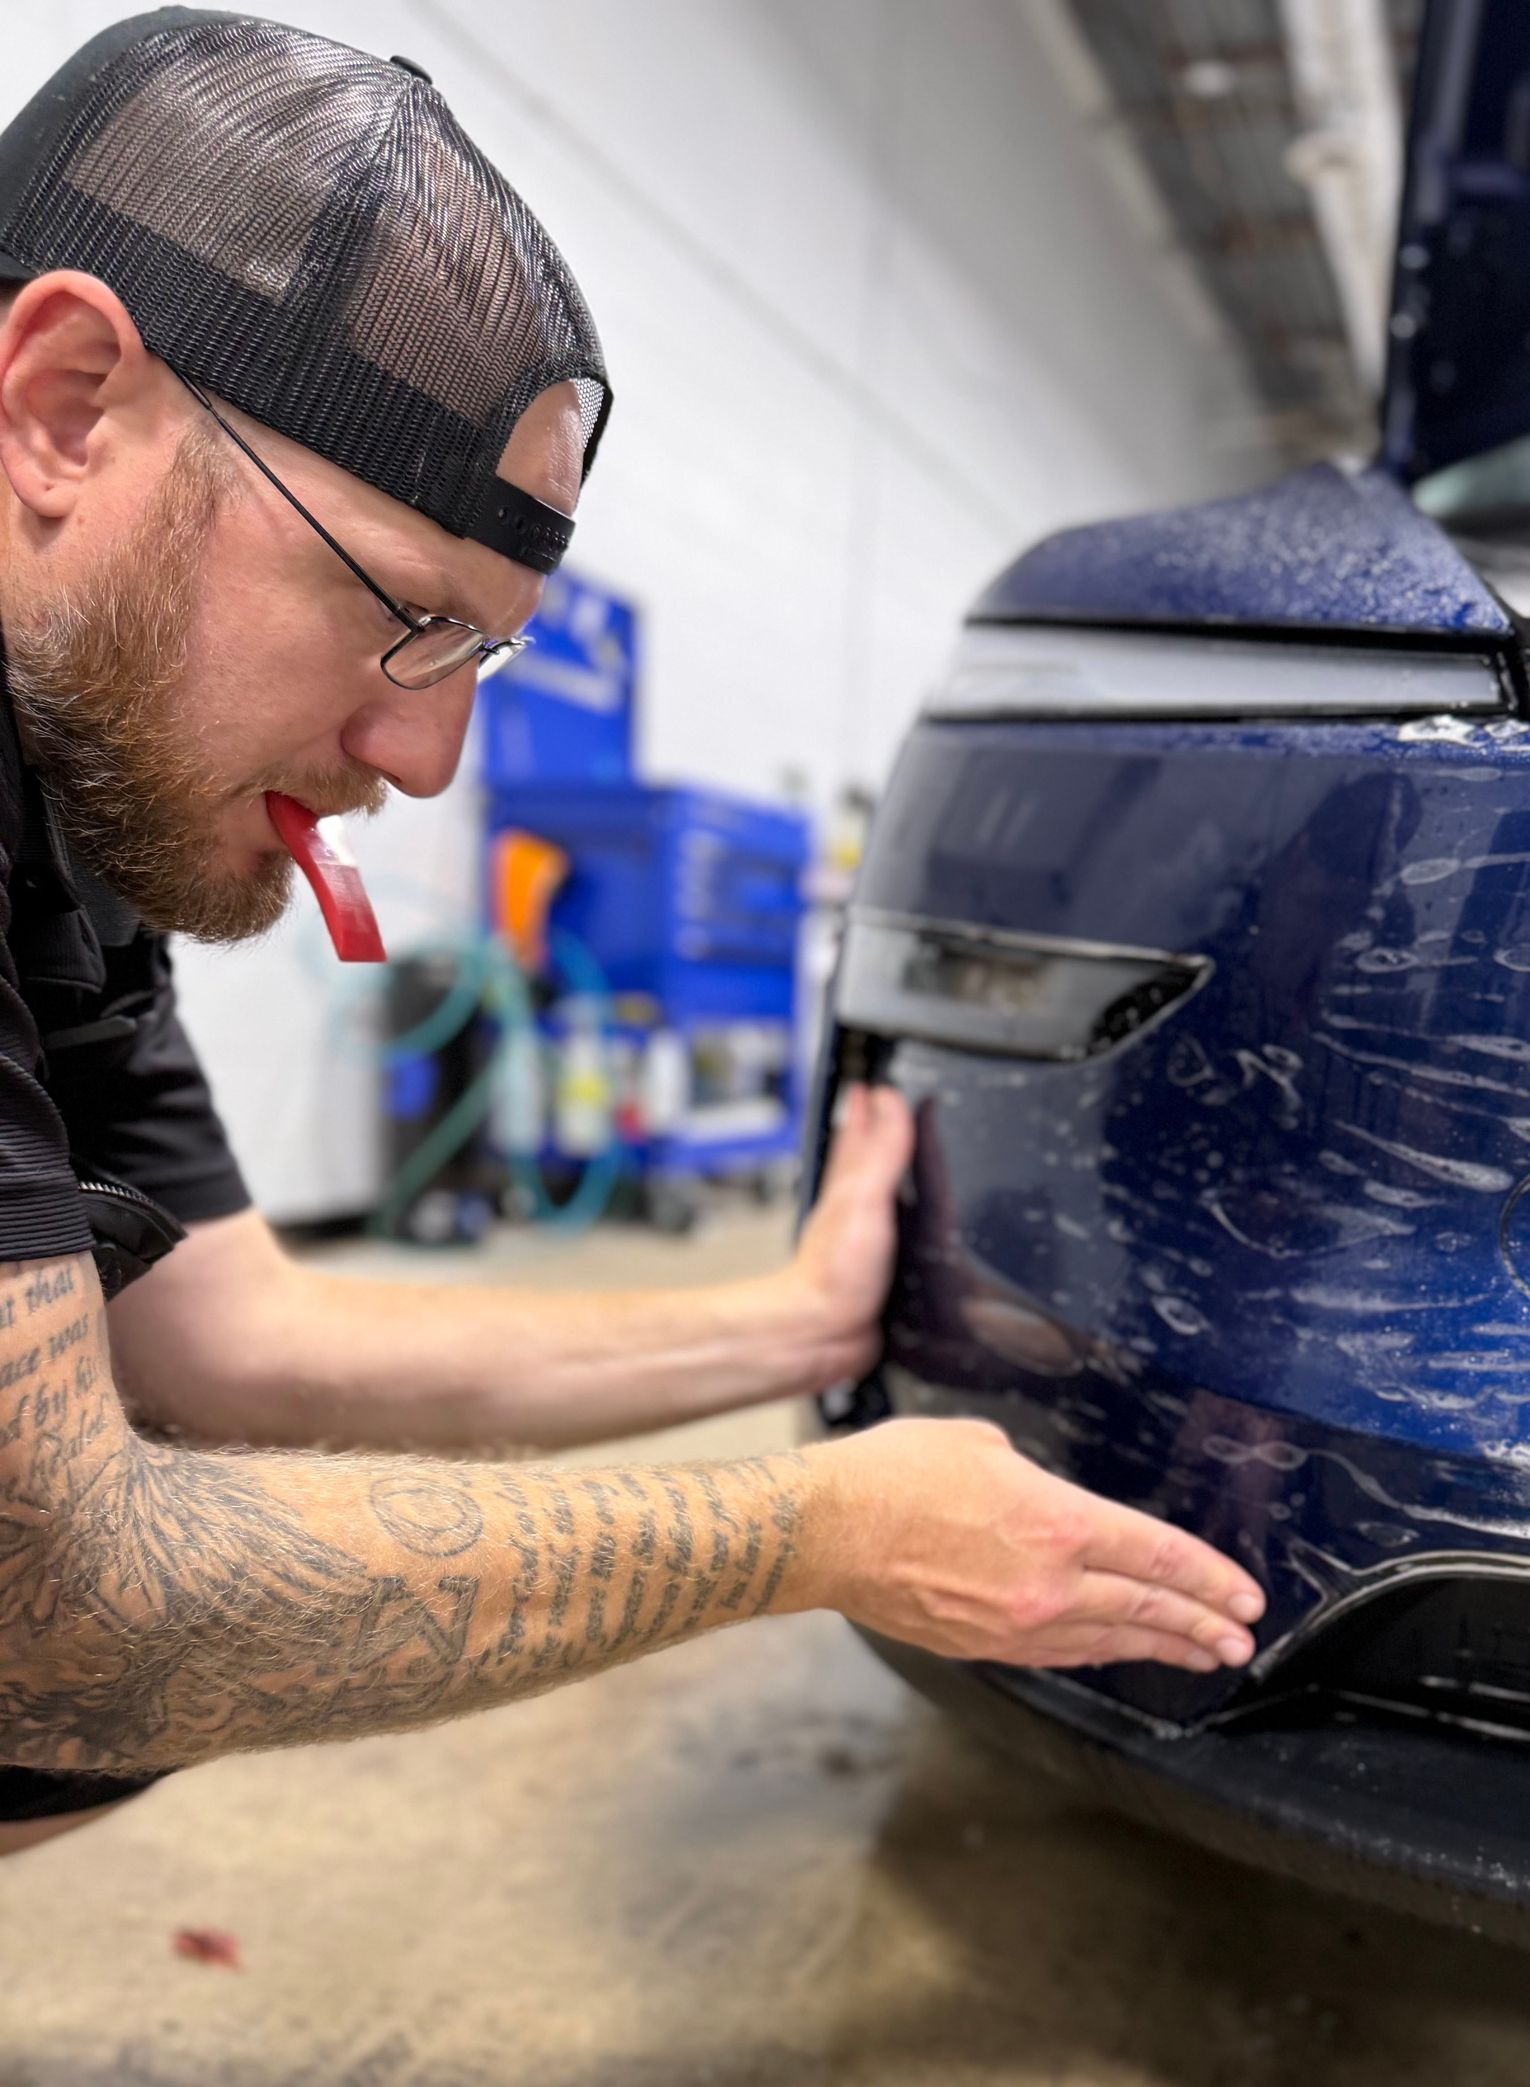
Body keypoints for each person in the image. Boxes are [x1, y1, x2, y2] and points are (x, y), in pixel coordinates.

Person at [0, 10, 1265, 1858]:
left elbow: (227, 1335)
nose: (425, 759)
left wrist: (792, 1322)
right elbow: (56, 1614)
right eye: (397, 611)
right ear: (65, 408)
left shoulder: (73, 793)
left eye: (481, 654)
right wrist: (818, 1530)